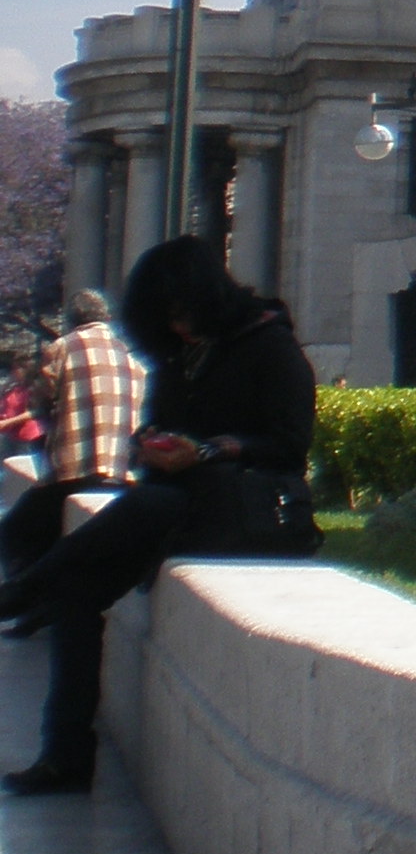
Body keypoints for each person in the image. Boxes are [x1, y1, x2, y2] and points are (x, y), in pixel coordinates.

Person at [0, 239, 321, 796]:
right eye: (165, 320)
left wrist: (212, 449)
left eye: (181, 315)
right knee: (77, 593)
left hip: (244, 511)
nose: (176, 329)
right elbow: (156, 428)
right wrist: (150, 445)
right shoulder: (181, 359)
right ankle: (65, 757)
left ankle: (20, 592)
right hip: (180, 506)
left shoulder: (271, 348)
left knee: (147, 505)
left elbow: (289, 447)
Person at [2, 292, 144, 573]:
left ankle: (26, 601)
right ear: (106, 318)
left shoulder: (61, 348)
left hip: (76, 469)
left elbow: (41, 403)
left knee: (13, 534)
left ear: (72, 319)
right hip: (122, 469)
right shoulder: (130, 355)